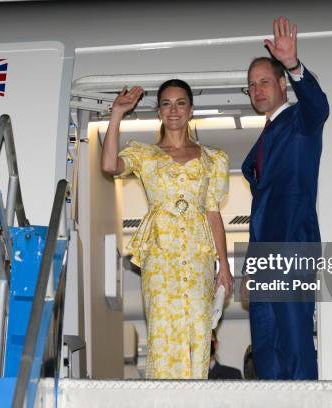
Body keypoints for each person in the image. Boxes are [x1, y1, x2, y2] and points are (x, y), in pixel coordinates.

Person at [101, 79, 233, 379]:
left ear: (190, 109)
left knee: (198, 331)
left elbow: (212, 212)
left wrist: (223, 265)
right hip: (160, 255)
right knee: (163, 329)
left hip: (198, 255)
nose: (174, 110)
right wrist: (117, 115)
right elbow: (108, 165)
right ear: (159, 111)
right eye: (166, 103)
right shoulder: (144, 154)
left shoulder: (214, 158)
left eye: (180, 103)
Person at [241, 17, 329, 380]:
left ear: (282, 85)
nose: (257, 90)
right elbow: (260, 207)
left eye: (264, 82)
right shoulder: (261, 142)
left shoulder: (299, 122)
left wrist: (294, 65)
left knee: (294, 343)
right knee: (265, 349)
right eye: (251, 86)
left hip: (293, 246)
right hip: (263, 256)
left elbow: (319, 106)